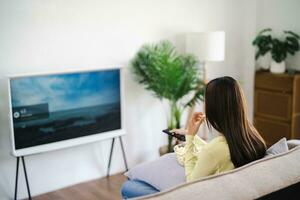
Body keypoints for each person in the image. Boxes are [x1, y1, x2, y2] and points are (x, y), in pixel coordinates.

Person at [121, 76, 267, 199]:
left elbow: (190, 183)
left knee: (129, 187)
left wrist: (190, 138)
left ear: (214, 109)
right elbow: (219, 152)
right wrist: (190, 135)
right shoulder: (253, 137)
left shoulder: (214, 150)